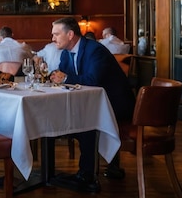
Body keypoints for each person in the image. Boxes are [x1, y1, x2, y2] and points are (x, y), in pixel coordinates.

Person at [49, 17, 135, 193]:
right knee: (56, 119)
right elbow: (62, 73)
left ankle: (87, 174)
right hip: (91, 103)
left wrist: (64, 78)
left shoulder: (95, 50)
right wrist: (54, 76)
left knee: (85, 124)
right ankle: (52, 172)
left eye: (56, 34)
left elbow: (93, 80)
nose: (52, 38)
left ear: (70, 34)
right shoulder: (66, 52)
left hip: (116, 104)